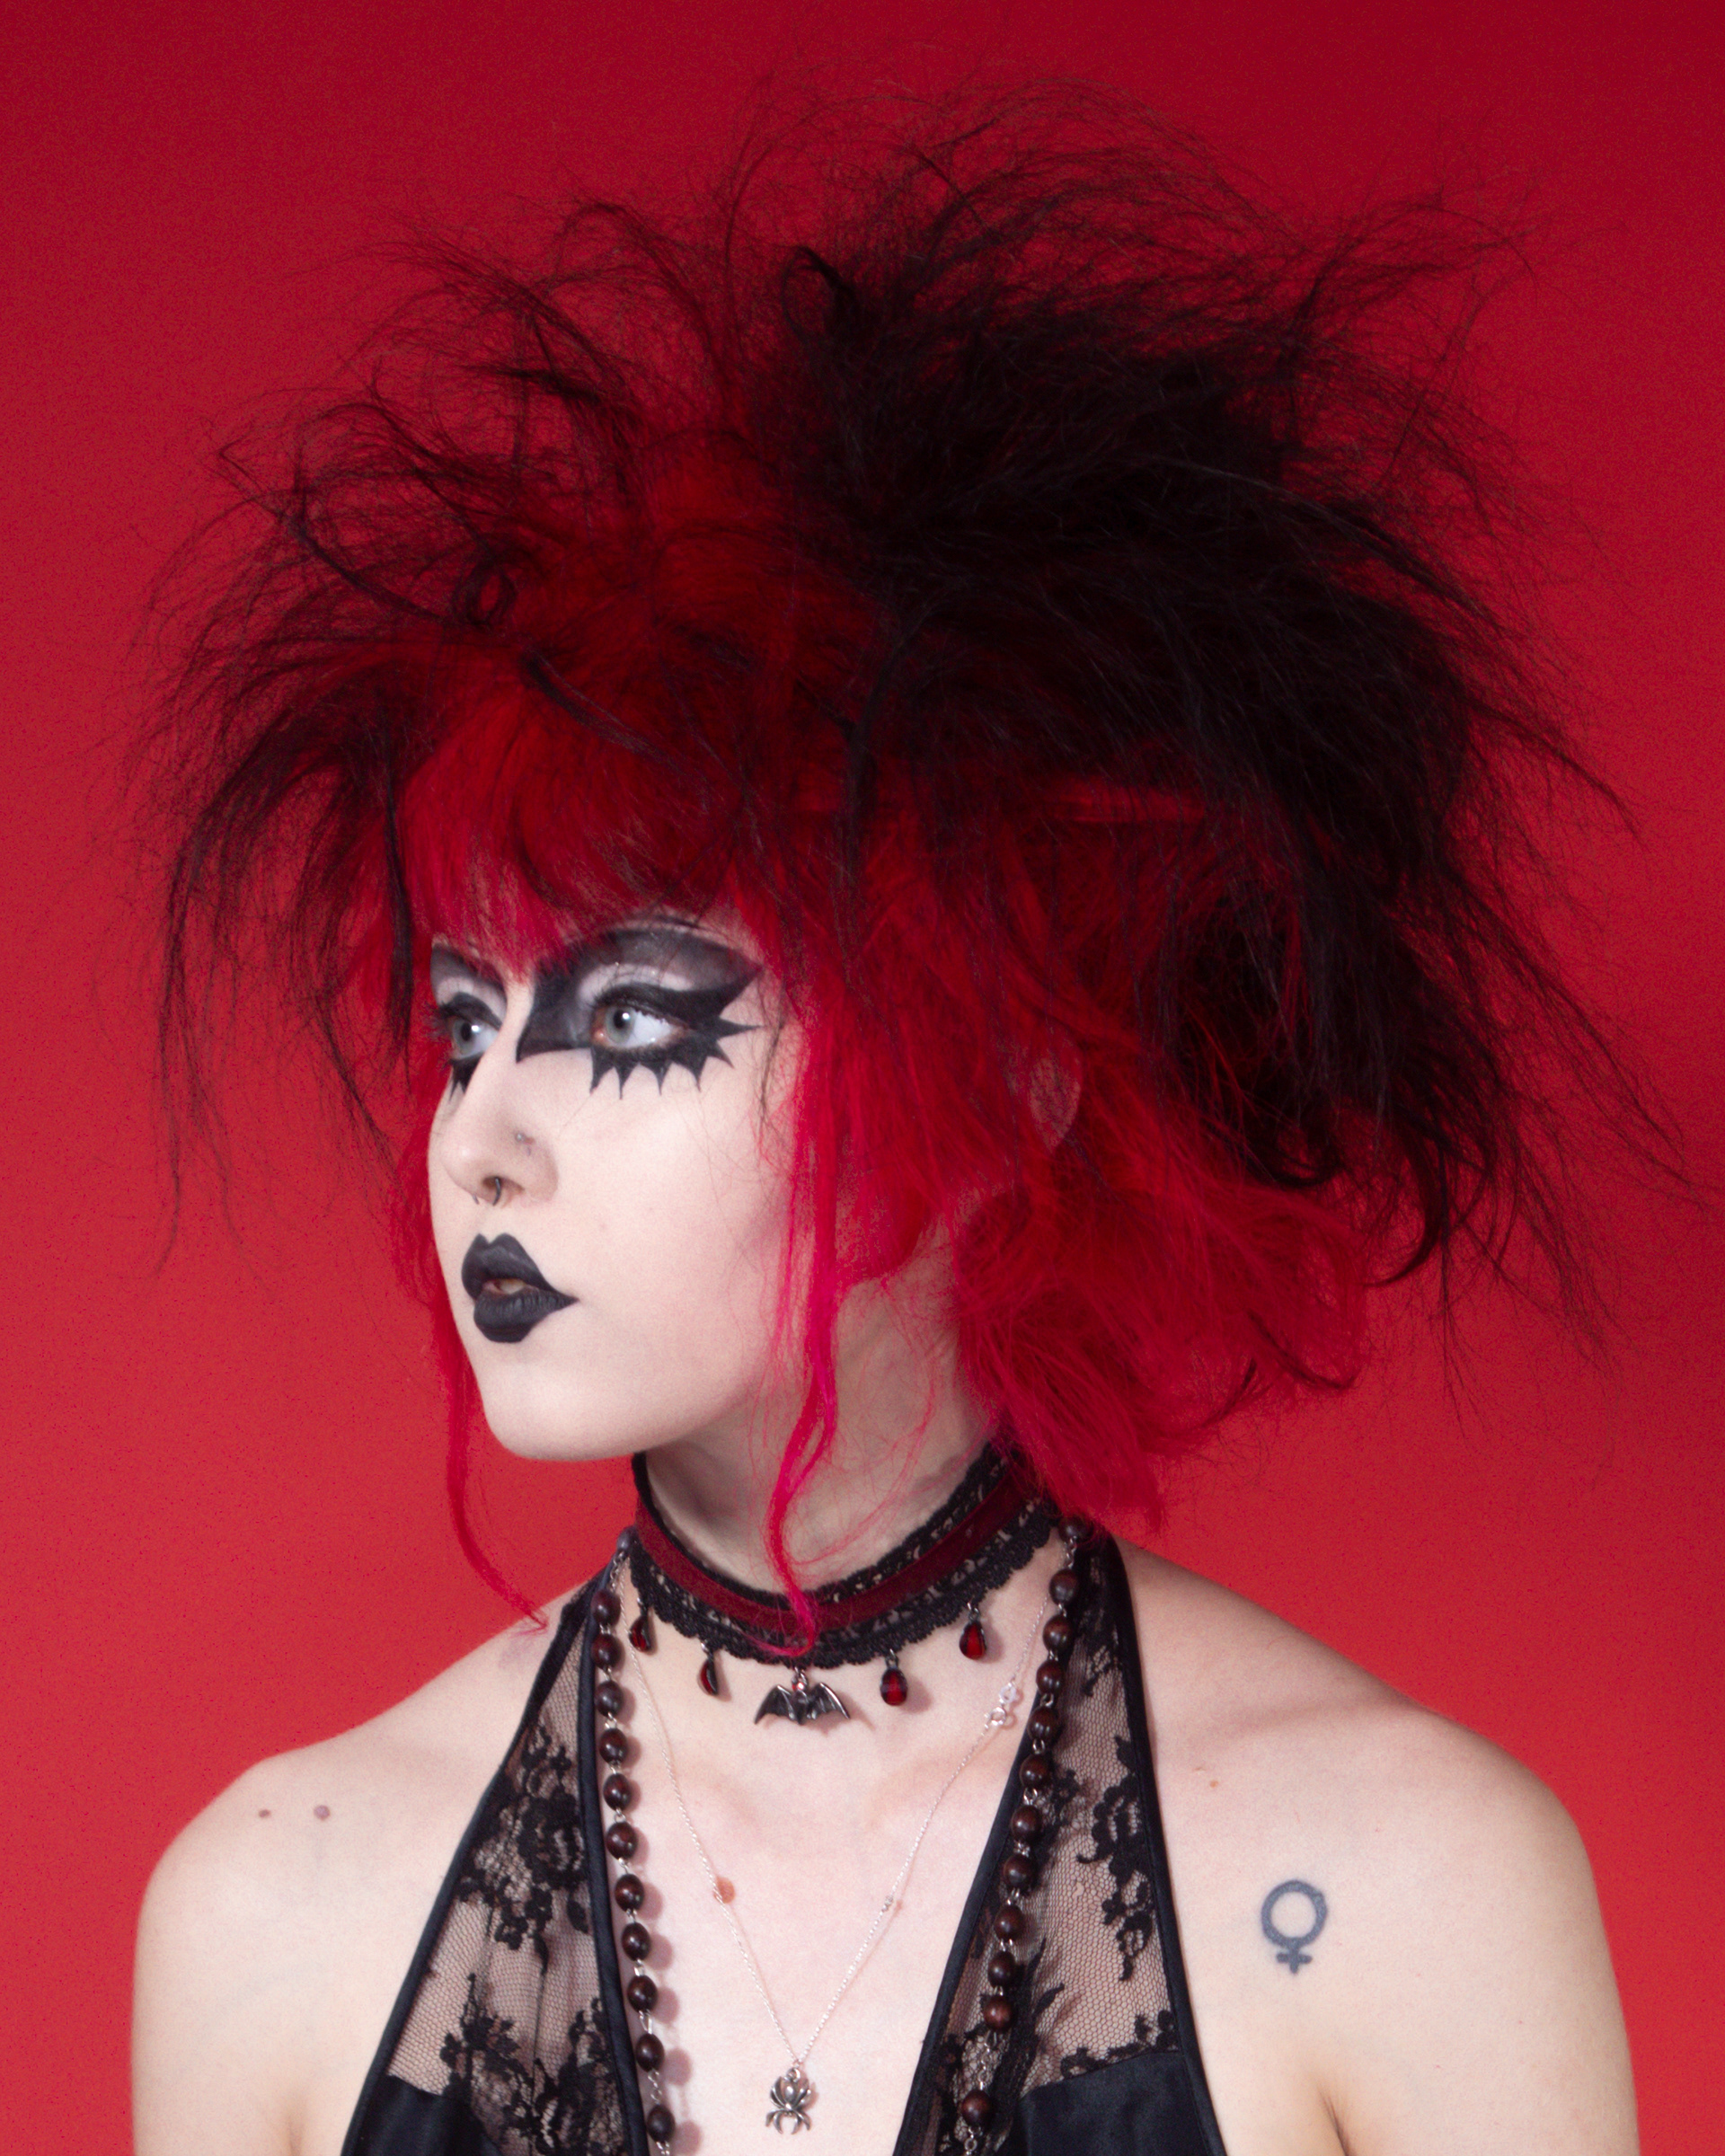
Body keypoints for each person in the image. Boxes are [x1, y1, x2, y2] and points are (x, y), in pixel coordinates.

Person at [132, 90, 1642, 2156]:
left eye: (633, 1020)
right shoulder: (276, 1907)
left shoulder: (1401, 1890)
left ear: (1012, 1083)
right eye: (464, 1022)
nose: (478, 1137)